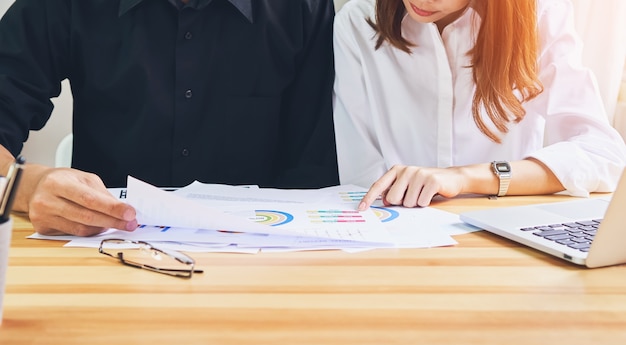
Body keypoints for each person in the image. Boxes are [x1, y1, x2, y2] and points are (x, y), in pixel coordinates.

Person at [0, 0, 339, 236]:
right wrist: (26, 188)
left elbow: (315, 169)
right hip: (102, 251)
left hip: (264, 263)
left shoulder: (303, 7)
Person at [332, 0, 626, 211]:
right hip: (396, 235)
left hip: (503, 237)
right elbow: (361, 178)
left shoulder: (539, 16)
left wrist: (466, 177)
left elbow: (603, 154)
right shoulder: (357, 23)